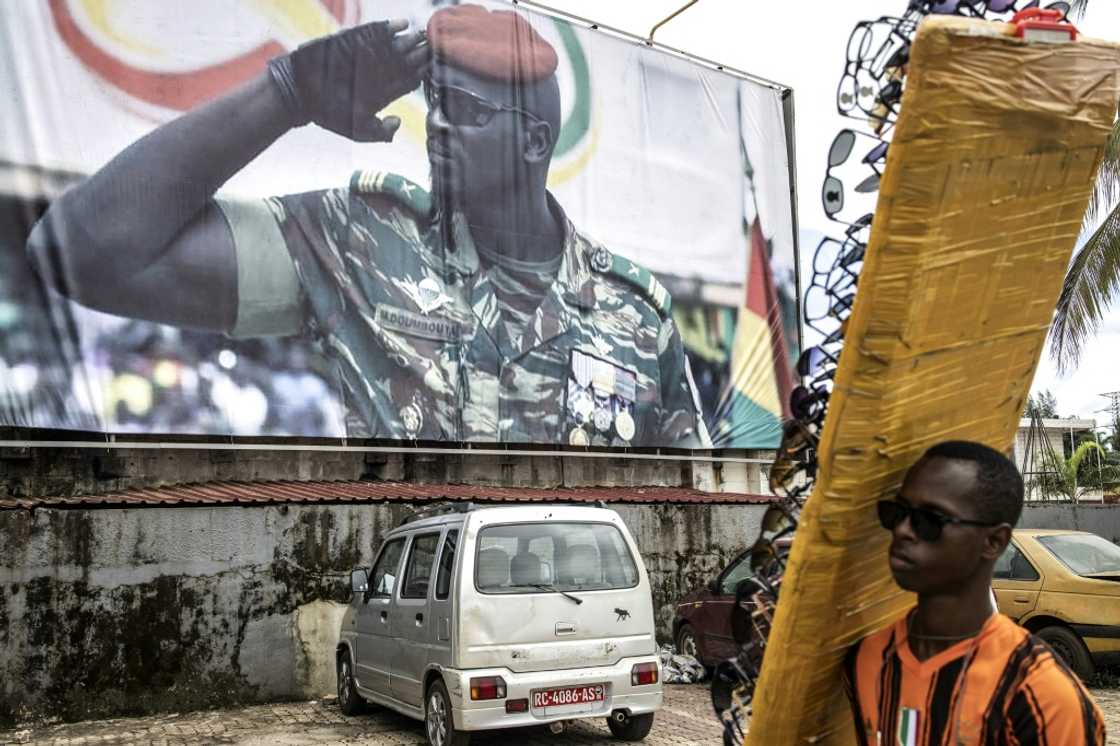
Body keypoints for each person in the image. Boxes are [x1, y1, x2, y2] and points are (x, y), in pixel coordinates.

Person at [26, 4, 710, 447]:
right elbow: (83, 253)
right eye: (434, 100)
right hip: (417, 636)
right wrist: (287, 92)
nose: (437, 123)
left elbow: (689, 496)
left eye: (466, 109)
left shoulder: (633, 314)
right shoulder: (365, 241)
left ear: (534, 144)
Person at [844, 440, 1105, 745]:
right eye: (897, 512)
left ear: (993, 541)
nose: (902, 530)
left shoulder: (1042, 695)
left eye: (930, 520)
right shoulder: (868, 660)